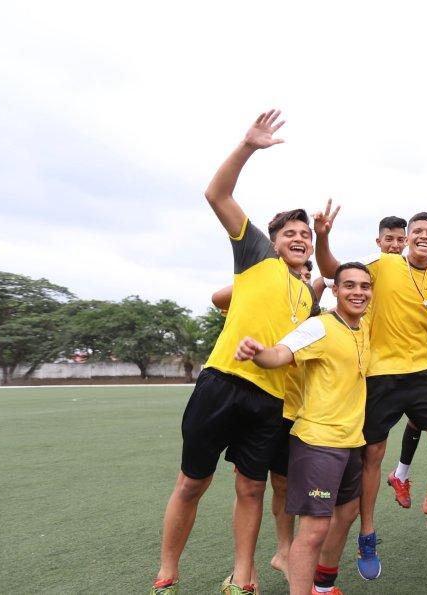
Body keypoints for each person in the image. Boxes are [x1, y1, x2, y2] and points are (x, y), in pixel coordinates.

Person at [151, 110, 318, 595]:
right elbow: (216, 195)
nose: (299, 239)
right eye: (291, 233)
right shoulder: (257, 257)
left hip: (270, 400)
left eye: (305, 235)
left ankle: (243, 575)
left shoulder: (309, 297)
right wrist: (247, 146)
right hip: (222, 383)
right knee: (192, 482)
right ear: (274, 238)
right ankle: (168, 570)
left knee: (251, 488)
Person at [314, 204, 427, 580]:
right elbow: (331, 272)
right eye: (418, 231)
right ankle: (367, 534)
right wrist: (322, 237)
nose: (424, 236)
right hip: (381, 374)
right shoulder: (385, 265)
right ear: (407, 238)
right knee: (372, 455)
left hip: (422, 372)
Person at [234, 261, 373, 595]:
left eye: (365, 286)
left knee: (348, 512)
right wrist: (259, 353)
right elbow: (281, 353)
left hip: (352, 440)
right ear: (334, 290)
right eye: (349, 285)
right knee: (313, 531)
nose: (358, 292)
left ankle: (322, 587)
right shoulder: (319, 326)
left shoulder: (363, 327)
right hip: (318, 442)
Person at [209, 257, 317, 579]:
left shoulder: (311, 315)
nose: (303, 277)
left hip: (294, 407)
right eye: (299, 273)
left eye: (308, 275)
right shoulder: (264, 291)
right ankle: (244, 568)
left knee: (284, 484)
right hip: (259, 402)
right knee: (249, 488)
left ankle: (284, 553)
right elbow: (218, 298)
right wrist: (261, 279)